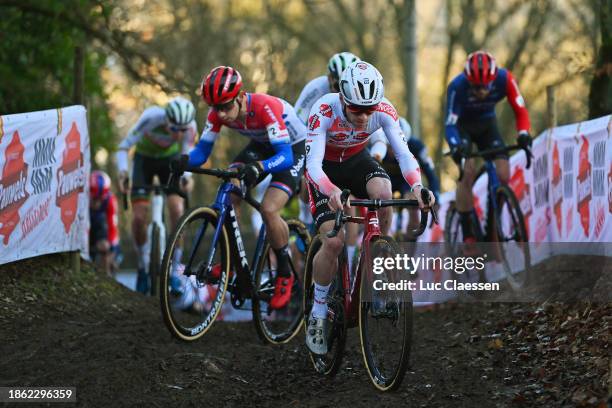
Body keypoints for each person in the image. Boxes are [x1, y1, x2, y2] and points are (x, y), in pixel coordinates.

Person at [304, 61, 434, 354]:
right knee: (335, 241)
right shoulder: (323, 110)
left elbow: (404, 154)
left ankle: (376, 264)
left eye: (369, 110)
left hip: (355, 162)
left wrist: (417, 187)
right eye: (356, 110)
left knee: (384, 191)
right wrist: (332, 191)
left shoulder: (385, 110)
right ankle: (319, 311)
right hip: (324, 173)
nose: (364, 117)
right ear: (342, 99)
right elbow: (312, 166)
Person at [182, 65, 307, 310]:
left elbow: (285, 156)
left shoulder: (264, 107)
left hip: (293, 148)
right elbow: (202, 152)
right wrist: (183, 161)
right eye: (216, 108)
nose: (223, 114)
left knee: (269, 209)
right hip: (262, 144)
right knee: (230, 190)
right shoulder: (217, 113)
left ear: (240, 97)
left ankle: (284, 273)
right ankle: (229, 261)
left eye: (227, 106)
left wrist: (260, 168)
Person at [445, 51, 531, 243]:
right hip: (463, 129)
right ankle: (468, 236)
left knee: (503, 173)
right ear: (468, 80)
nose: (482, 92)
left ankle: (494, 225)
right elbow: (450, 125)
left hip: (487, 126)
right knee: (467, 172)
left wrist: (523, 134)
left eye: (485, 87)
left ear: (493, 79)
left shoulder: (505, 79)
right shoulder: (457, 87)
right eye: (476, 87)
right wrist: (456, 147)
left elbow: (521, 111)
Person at [116, 96, 197, 294]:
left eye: (183, 130)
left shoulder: (190, 126)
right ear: (166, 121)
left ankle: (175, 271)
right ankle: (143, 267)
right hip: (144, 161)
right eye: (174, 129)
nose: (179, 134)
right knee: (138, 217)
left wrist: (187, 177)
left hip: (170, 161)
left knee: (177, 210)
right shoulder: (151, 117)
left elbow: (187, 153)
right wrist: (123, 173)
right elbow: (123, 147)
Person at [371, 117, 441, 239]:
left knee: (414, 205)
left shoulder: (417, 146)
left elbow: (431, 174)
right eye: (389, 146)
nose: (393, 151)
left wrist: (436, 197)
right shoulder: (376, 146)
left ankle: (410, 244)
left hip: (406, 183)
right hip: (385, 180)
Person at [89, 170, 120, 277]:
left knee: (105, 246)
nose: (97, 203)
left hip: (100, 230)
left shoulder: (110, 200)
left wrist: (112, 250)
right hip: (86, 230)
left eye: (100, 199)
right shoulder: (82, 199)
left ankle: (107, 275)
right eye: (94, 199)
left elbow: (113, 227)